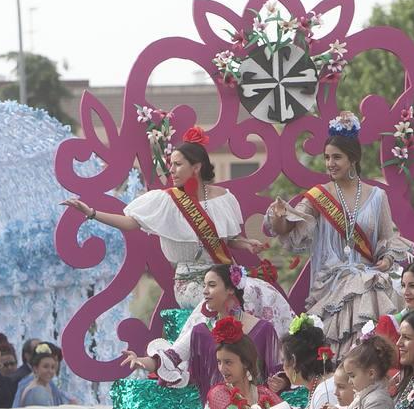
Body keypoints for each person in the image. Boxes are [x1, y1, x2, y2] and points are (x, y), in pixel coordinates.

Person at [63, 129, 292, 325]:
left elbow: (227, 240)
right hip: (190, 282)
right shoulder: (165, 200)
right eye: (170, 164)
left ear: (196, 167)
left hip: (223, 275)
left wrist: (246, 243)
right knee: (222, 304)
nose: (171, 170)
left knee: (266, 295)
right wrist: (91, 213)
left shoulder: (223, 198)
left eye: (178, 164)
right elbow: (130, 222)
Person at [266, 112, 414, 353]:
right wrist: (279, 216)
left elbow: (388, 238)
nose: (330, 163)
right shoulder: (318, 196)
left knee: (369, 351)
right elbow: (291, 231)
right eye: (326, 158)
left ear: (353, 159)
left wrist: (387, 259)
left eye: (337, 157)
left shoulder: (377, 196)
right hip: (330, 287)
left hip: (368, 285)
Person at [122, 264, 282, 409]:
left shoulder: (262, 330)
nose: (205, 291)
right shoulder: (201, 331)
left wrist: (280, 382)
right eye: (204, 286)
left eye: (212, 285)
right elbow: (170, 358)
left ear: (230, 288)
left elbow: (277, 375)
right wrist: (141, 361)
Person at [201, 317, 287, 409]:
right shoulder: (218, 393)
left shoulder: (263, 393)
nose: (222, 368)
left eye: (228, 362)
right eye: (219, 362)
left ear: (245, 362)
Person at [264, 314, 340, 409]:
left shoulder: (325, 391)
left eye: (283, 360)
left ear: (293, 361)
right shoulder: (320, 386)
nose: (283, 367)